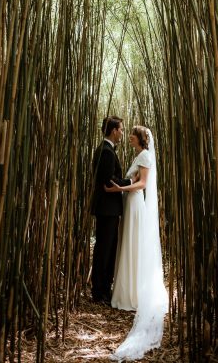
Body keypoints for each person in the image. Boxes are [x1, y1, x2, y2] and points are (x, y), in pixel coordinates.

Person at [104, 126, 168, 360]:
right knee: (128, 245)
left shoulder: (144, 155)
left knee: (133, 246)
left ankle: (133, 294)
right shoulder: (138, 154)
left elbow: (142, 184)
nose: (128, 136)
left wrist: (121, 188)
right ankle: (127, 290)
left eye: (131, 134)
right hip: (130, 203)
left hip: (134, 202)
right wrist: (122, 188)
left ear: (140, 138)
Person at [90, 116, 133, 305]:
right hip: (107, 208)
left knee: (106, 249)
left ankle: (102, 290)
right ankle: (100, 292)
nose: (122, 133)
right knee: (104, 250)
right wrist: (130, 182)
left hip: (107, 208)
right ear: (114, 131)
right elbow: (110, 181)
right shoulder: (106, 151)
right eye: (121, 129)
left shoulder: (104, 149)